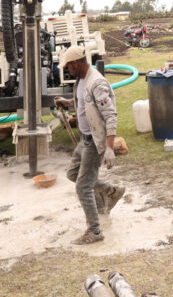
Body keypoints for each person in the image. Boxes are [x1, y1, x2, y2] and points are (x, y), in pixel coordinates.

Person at [57, 45, 125, 245]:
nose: (67, 70)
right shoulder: (81, 80)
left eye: (68, 66)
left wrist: (110, 147)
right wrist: (68, 102)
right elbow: (84, 101)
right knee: (72, 175)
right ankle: (111, 192)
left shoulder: (97, 83)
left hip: (95, 142)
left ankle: (94, 231)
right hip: (85, 139)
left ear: (76, 63)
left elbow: (111, 116)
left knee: (82, 186)